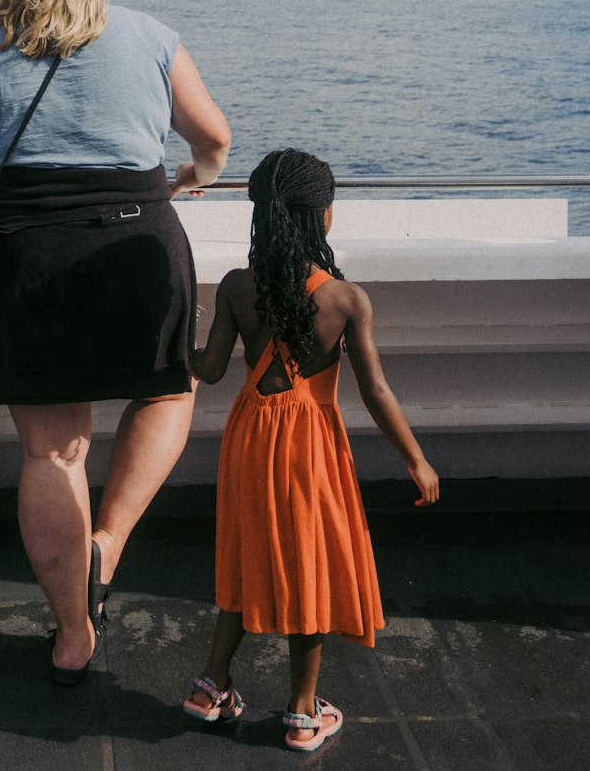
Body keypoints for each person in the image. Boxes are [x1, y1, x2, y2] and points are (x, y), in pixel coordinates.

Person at [0, 0, 230, 683]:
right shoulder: (150, 36)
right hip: (136, 244)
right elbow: (213, 138)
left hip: (23, 253)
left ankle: (74, 634)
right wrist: (195, 178)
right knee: (169, 386)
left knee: (52, 449)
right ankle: (108, 542)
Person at [184, 148, 438, 752]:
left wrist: (176, 332)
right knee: (310, 568)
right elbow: (375, 391)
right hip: (310, 445)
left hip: (249, 435)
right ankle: (301, 713)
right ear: (321, 216)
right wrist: (416, 458)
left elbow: (210, 369)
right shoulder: (347, 300)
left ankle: (208, 687)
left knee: (249, 556)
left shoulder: (238, 288)